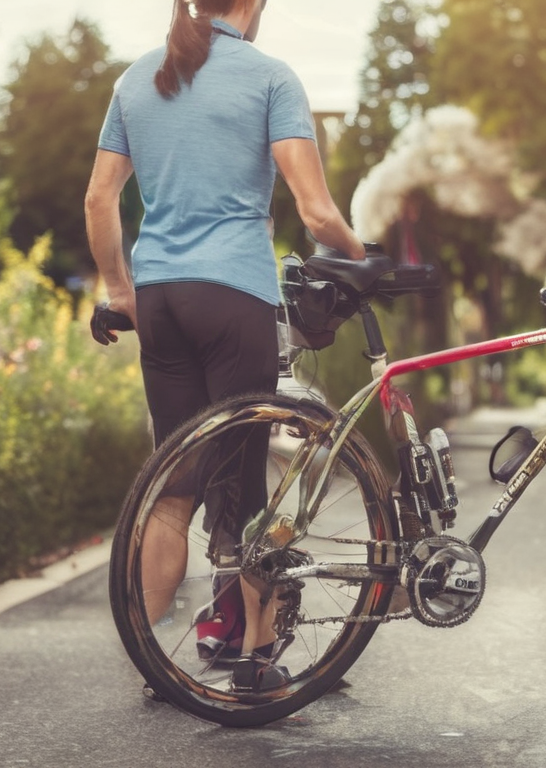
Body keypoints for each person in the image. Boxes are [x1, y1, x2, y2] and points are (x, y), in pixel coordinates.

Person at [84, 0, 364, 696]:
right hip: (233, 296)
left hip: (161, 299)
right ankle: (255, 658)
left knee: (173, 483)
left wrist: (120, 289)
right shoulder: (270, 77)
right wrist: (363, 259)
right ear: (252, 3)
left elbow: (99, 199)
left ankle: (155, 665)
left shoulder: (136, 79)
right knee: (242, 485)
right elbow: (317, 212)